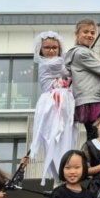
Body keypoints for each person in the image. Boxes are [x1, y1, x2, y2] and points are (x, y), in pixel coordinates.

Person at [30, 31, 78, 185]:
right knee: (54, 138)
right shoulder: (48, 63)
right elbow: (66, 68)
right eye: (47, 47)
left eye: (54, 47)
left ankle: (64, 172)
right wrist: (78, 53)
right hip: (53, 103)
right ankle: (59, 174)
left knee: (66, 137)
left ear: (59, 48)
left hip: (64, 103)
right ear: (40, 49)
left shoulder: (59, 61)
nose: (51, 50)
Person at [65, 18, 100, 141]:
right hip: (90, 100)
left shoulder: (87, 52)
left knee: (96, 135)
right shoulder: (81, 54)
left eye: (92, 32)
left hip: (92, 98)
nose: (89, 35)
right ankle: (90, 153)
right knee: (96, 136)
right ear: (77, 33)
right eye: (85, 32)